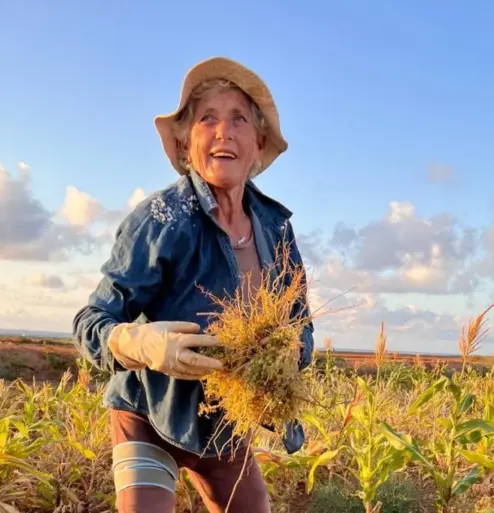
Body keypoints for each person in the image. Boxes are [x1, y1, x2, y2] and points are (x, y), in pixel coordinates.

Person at [72, 56, 314, 513]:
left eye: (239, 119)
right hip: (148, 412)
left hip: (223, 423)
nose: (224, 131)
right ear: (186, 144)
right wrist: (136, 343)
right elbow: (91, 322)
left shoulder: (276, 229)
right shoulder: (160, 220)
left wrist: (289, 351)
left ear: (258, 143)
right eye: (208, 118)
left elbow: (300, 322)